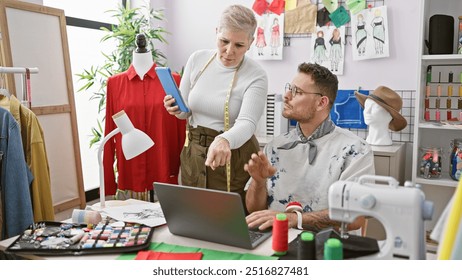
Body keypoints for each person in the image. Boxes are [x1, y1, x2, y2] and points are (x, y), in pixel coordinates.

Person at [245, 63, 375, 232]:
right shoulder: (275, 146)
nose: (286, 96)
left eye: (297, 92)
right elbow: (255, 211)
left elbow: (354, 219)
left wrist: (294, 219)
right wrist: (259, 182)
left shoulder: (356, 150)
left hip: (324, 248)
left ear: (321, 103)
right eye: (289, 88)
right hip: (273, 240)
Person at [164, 5, 268, 211]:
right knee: (194, 213)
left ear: (251, 43)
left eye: (239, 45)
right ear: (216, 33)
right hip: (194, 151)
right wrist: (175, 108)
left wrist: (224, 139)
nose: (229, 51)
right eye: (224, 41)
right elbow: (186, 111)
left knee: (230, 218)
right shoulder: (197, 60)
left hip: (233, 153)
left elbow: (247, 123)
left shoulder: (256, 74)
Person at [104, 34, 186, 201]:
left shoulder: (173, 80)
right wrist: (108, 183)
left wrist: (178, 172)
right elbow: (109, 132)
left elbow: (181, 129)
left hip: (164, 166)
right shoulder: (115, 84)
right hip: (130, 168)